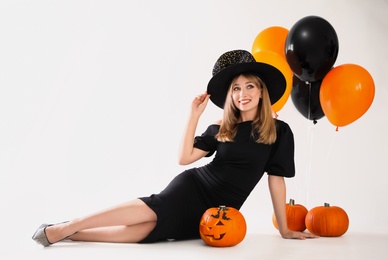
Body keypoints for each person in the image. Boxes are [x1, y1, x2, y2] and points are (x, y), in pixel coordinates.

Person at [32, 49, 318, 247]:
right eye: (236, 88)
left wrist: (284, 230)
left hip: (217, 213)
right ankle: (69, 226)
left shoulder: (279, 131)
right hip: (192, 187)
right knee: (151, 210)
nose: (243, 94)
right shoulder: (222, 127)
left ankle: (69, 234)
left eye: (250, 87)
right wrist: (194, 115)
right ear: (230, 95)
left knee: (145, 234)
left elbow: (276, 181)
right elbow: (184, 159)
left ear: (261, 91)